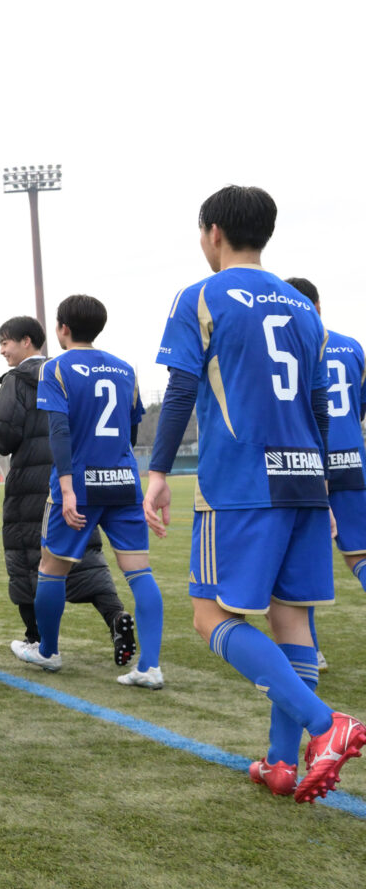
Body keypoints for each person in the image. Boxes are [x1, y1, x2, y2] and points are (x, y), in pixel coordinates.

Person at [144, 184, 365, 804]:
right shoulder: (304, 308)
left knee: (210, 615)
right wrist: (322, 485)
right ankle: (280, 763)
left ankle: (325, 724)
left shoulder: (201, 295)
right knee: (291, 617)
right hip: (306, 477)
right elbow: (321, 407)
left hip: (242, 481)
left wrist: (157, 472)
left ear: (213, 232)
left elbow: (181, 390)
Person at [21, 295, 164, 689]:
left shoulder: (56, 368)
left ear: (62, 328)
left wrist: (67, 489)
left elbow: (59, 431)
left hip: (80, 486)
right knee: (140, 571)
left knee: (51, 569)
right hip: (123, 483)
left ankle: (48, 651)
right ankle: (150, 667)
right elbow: (131, 431)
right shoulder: (125, 369)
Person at [0, 316, 136, 668]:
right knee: (86, 553)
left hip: (35, 485)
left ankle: (39, 640)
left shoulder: (18, 380)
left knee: (30, 557)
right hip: (85, 478)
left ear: (27, 341)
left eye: (5, 342)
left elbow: (4, 435)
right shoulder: (74, 371)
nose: (2, 351)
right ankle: (115, 615)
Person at [283, 277, 366, 673]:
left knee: (302, 561)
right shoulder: (353, 347)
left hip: (305, 462)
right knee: (360, 555)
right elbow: (359, 407)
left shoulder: (289, 345)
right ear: (318, 305)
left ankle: (310, 651)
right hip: (352, 459)